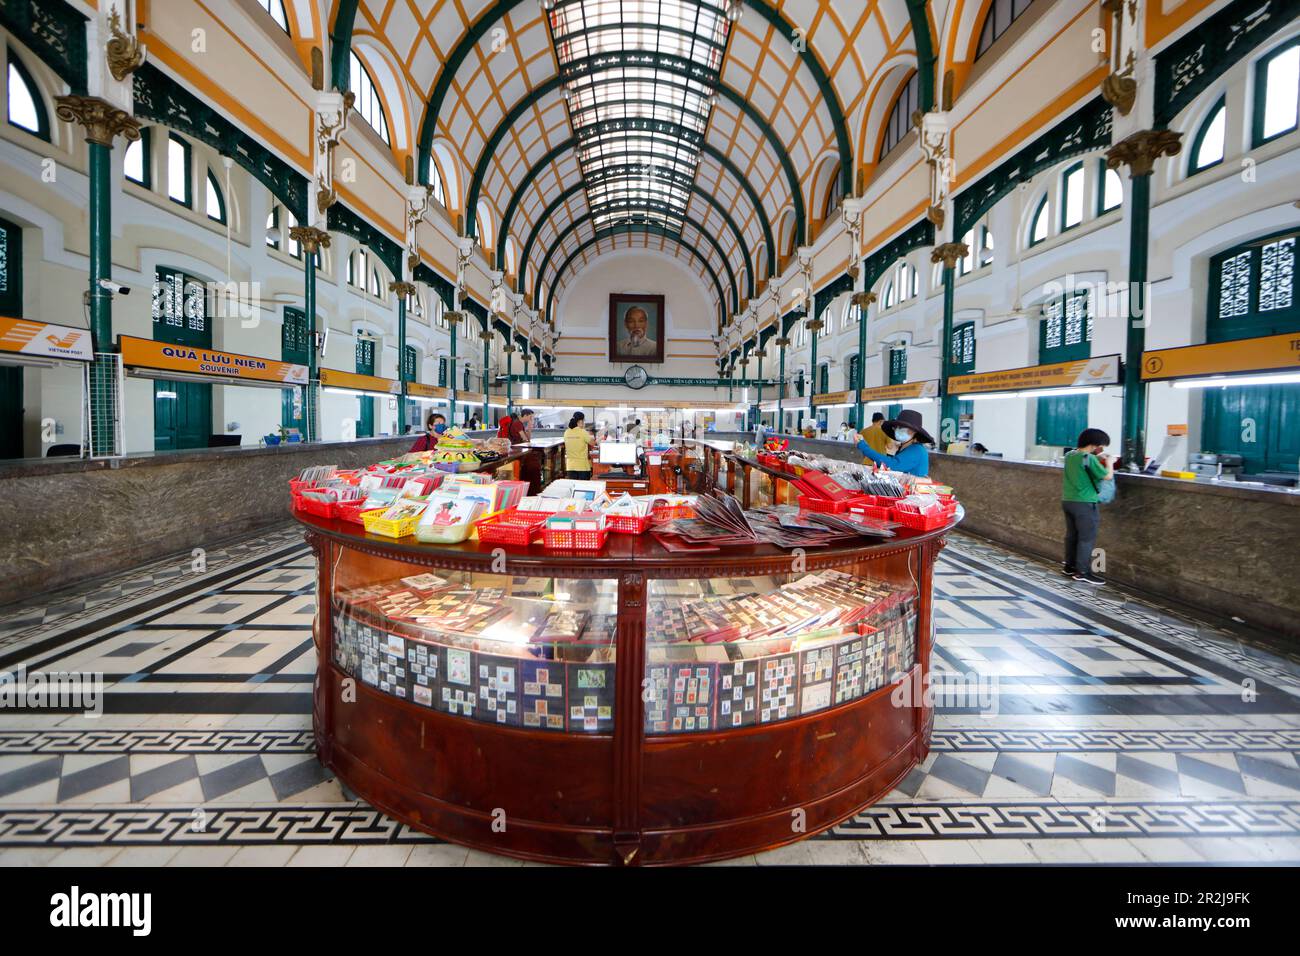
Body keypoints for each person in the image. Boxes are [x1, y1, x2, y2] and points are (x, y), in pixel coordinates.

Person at [1062, 427, 1114, 586]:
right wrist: (1110, 462)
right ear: (1094, 444)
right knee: (1086, 538)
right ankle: (1083, 572)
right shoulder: (1089, 459)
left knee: (1072, 536)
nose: (1101, 448)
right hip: (1085, 503)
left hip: (1068, 500)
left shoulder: (1069, 455)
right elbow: (1107, 476)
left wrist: (1096, 457)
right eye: (1101, 445)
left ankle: (1069, 567)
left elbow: (1081, 466)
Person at [856, 408, 933, 477]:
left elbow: (891, 465)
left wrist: (864, 447)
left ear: (914, 431)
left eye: (902, 428)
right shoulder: (905, 447)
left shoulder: (917, 450)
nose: (897, 430)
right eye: (896, 427)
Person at [508, 407, 541, 494]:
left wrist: (529, 428)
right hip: (517, 451)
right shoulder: (517, 424)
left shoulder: (520, 424)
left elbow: (527, 439)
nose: (531, 419)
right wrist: (529, 427)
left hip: (519, 450)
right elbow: (525, 439)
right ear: (525, 415)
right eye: (530, 417)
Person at [563, 411, 596, 480]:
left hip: (570, 467)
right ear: (581, 421)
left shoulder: (566, 432)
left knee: (573, 488)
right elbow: (593, 443)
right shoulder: (583, 432)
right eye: (584, 421)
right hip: (582, 467)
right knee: (583, 489)